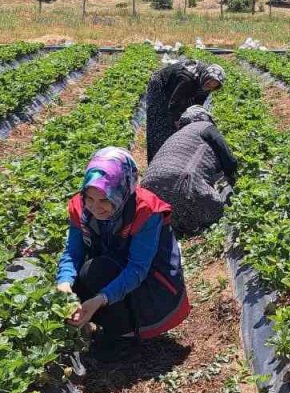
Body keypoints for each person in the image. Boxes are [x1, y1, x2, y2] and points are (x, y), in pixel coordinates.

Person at [57, 147, 190, 361]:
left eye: (104, 200)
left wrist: (100, 299)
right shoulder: (79, 208)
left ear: (122, 190)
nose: (95, 207)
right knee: (76, 280)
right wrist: (63, 283)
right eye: (89, 198)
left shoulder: (145, 211)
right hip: (113, 264)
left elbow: (137, 268)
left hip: (150, 282)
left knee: (96, 272)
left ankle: (123, 337)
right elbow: (73, 252)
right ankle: (92, 325)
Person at [142, 106, 239, 237]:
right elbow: (228, 159)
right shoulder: (204, 126)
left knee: (174, 226)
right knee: (221, 210)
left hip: (147, 194)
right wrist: (233, 178)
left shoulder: (176, 136)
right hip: (182, 183)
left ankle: (178, 227)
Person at [144, 60, 225, 163]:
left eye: (212, 86)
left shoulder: (207, 81)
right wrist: (177, 122)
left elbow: (197, 105)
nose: (208, 86)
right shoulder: (188, 80)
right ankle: (155, 160)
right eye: (208, 83)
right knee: (160, 123)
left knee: (182, 118)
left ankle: (172, 154)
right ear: (205, 77)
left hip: (181, 88)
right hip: (160, 84)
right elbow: (174, 104)